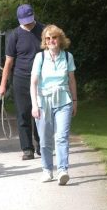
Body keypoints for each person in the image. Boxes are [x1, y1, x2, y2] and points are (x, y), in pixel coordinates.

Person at [30, 24, 77, 185]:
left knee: (62, 137)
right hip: (44, 101)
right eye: (48, 38)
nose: (51, 41)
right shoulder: (40, 57)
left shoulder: (68, 57)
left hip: (64, 100)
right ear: (44, 41)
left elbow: (71, 80)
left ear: (60, 39)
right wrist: (34, 105)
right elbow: (33, 83)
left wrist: (75, 102)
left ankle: (63, 170)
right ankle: (47, 170)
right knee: (44, 139)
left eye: (54, 37)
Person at [0, 4, 45, 160]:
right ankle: (27, 149)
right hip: (21, 78)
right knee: (23, 113)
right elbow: (8, 63)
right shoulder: (14, 35)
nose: (27, 23)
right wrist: (3, 85)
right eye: (24, 21)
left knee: (40, 113)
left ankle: (41, 145)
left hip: (41, 78)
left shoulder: (44, 31)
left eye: (29, 20)